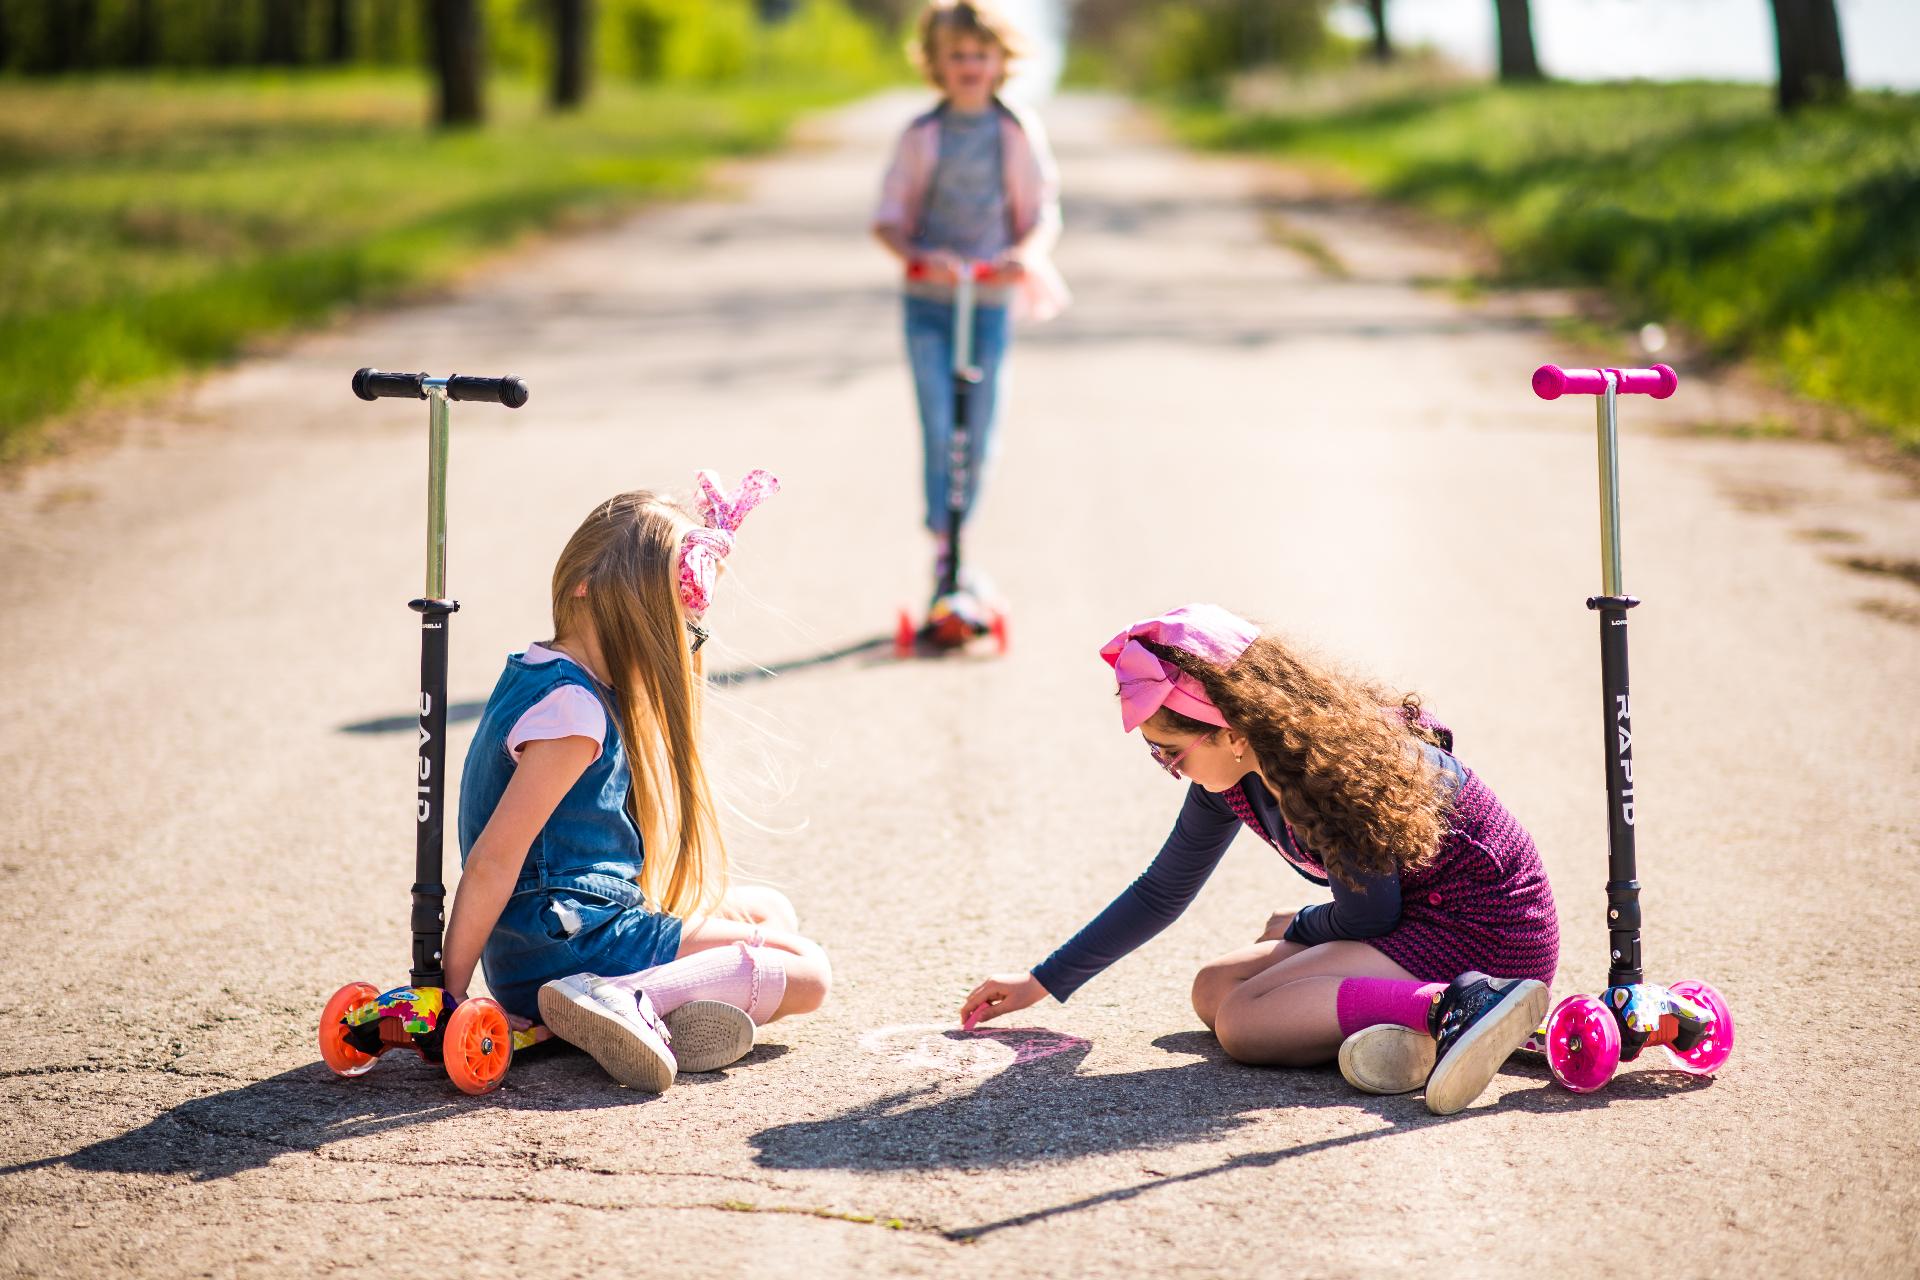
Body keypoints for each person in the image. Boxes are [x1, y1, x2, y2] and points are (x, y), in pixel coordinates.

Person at [959, 605, 1560, 1115]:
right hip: (1410, 926)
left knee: (1245, 1023)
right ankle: (1406, 1034)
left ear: (1234, 731)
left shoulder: (1337, 772)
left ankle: (1459, 1006)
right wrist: (1041, 982)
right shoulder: (1233, 781)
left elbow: (1368, 917)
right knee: (1214, 989)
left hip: (1486, 937)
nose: (1170, 770)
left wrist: (1300, 925)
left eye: (1171, 753)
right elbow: (1161, 892)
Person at [442, 474, 831, 1092]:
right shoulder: (573, 711)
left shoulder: (539, 672)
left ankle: (642, 1012)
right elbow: (492, 861)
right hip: (571, 948)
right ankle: (617, 999)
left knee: (771, 913)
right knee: (808, 972)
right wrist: (446, 995)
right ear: (587, 590)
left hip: (550, 943)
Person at [872, 0, 1069, 594]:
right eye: (956, 55)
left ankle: (959, 548)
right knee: (939, 424)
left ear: (1001, 60)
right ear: (936, 62)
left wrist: (1026, 256)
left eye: (980, 54)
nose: (969, 65)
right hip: (930, 300)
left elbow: (1041, 213)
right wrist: (915, 251)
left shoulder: (1014, 129)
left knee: (979, 434)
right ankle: (944, 549)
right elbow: (888, 217)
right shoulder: (922, 134)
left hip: (987, 301)